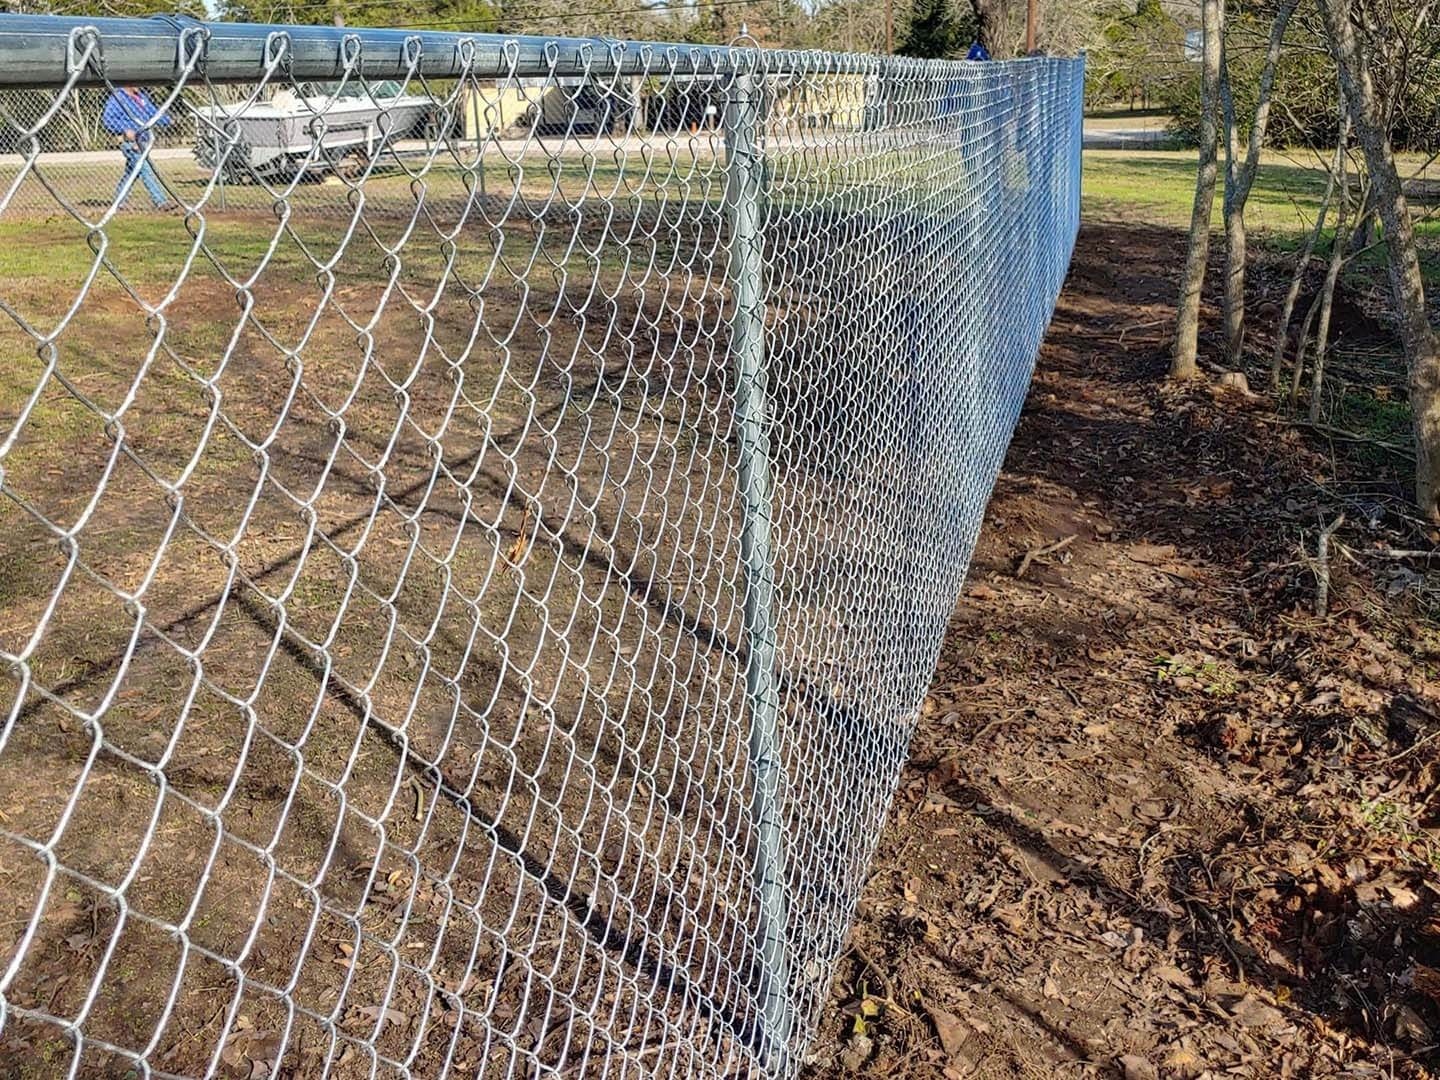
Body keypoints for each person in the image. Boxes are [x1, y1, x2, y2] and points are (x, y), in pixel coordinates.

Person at [101, 86, 173, 210]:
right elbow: (108, 119)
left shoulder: (141, 98)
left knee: (131, 173)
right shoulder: (118, 98)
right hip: (130, 142)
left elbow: (153, 114)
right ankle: (161, 201)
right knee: (145, 169)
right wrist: (124, 129)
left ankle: (119, 201)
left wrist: (168, 120)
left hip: (143, 141)